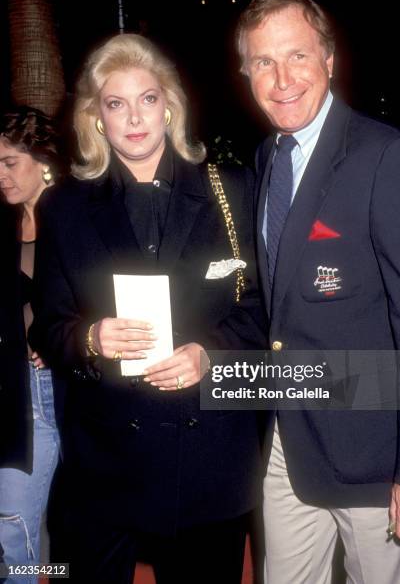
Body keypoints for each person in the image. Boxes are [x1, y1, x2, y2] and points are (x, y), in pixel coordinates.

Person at [31, 33, 264, 584]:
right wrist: (91, 339)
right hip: (105, 461)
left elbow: (259, 312)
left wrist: (211, 355)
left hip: (207, 457)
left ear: (170, 106)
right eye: (116, 103)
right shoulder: (64, 205)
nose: (134, 117)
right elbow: (48, 323)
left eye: (148, 98)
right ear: (97, 118)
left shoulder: (231, 191)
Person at [236, 0, 400, 584]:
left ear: (328, 60)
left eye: (297, 56)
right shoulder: (266, 159)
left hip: (376, 458)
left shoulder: (390, 159)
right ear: (246, 73)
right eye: (263, 62)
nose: (281, 78)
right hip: (287, 443)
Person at [0, 107, 64, 583]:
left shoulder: (78, 215)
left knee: (73, 531)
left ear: (42, 159)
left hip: (76, 387)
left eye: (9, 162)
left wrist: (58, 336)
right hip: (21, 392)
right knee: (13, 528)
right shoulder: (3, 223)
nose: (0, 175)